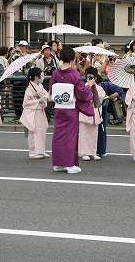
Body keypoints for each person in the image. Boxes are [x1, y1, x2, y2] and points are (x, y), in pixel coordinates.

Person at [49, 46, 94, 174]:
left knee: (58, 135)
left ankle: (58, 163)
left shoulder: (56, 73)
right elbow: (82, 94)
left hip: (59, 107)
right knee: (70, 136)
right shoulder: (74, 74)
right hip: (70, 108)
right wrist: (89, 86)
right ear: (73, 58)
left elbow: (52, 89)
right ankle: (69, 164)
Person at [20, 67, 50, 159]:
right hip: (33, 112)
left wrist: (43, 97)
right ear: (36, 77)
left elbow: (46, 95)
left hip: (40, 111)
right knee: (34, 132)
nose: (43, 77)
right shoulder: (29, 88)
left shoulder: (40, 86)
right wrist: (37, 100)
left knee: (42, 131)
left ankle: (41, 150)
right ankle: (33, 151)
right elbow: (25, 103)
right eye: (42, 75)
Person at [79, 67, 105, 161]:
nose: (91, 78)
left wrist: (93, 91)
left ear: (96, 78)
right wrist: (89, 88)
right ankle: (84, 152)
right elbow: (82, 97)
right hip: (85, 112)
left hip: (95, 113)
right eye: (89, 76)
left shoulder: (99, 88)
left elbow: (101, 98)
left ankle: (92, 152)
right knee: (84, 133)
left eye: (93, 77)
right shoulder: (83, 86)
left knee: (94, 134)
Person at [97, 76, 125, 157]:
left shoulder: (105, 85)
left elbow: (119, 90)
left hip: (103, 109)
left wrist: (115, 94)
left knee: (102, 129)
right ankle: (89, 150)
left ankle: (101, 151)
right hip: (90, 110)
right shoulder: (87, 85)